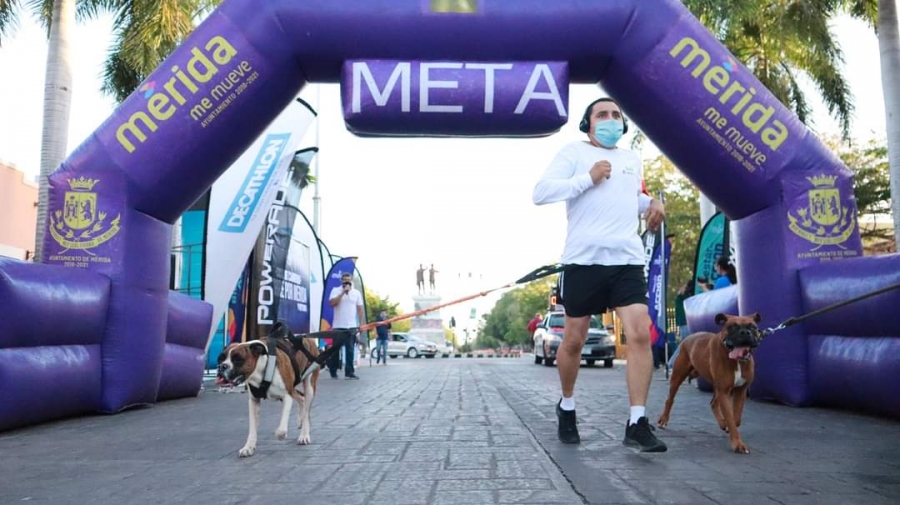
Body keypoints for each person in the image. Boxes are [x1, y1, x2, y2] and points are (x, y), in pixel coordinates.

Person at [532, 97, 667, 452]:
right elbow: (541, 193)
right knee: (573, 340)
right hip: (583, 261)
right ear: (588, 124)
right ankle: (567, 405)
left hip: (626, 260)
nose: (610, 119)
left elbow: (632, 199)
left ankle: (637, 422)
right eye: (602, 114)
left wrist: (653, 204)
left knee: (640, 333)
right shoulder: (574, 153)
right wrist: (586, 179)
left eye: (616, 115)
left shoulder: (630, 159)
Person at [328, 272, 364, 379]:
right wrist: (343, 292)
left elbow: (360, 309)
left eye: (348, 280)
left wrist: (361, 324)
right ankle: (333, 370)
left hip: (351, 325)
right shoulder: (335, 290)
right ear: (341, 281)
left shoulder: (356, 293)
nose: (347, 282)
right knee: (335, 350)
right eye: (345, 280)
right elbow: (332, 303)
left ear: (351, 280)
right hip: (338, 325)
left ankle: (349, 372)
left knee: (350, 350)